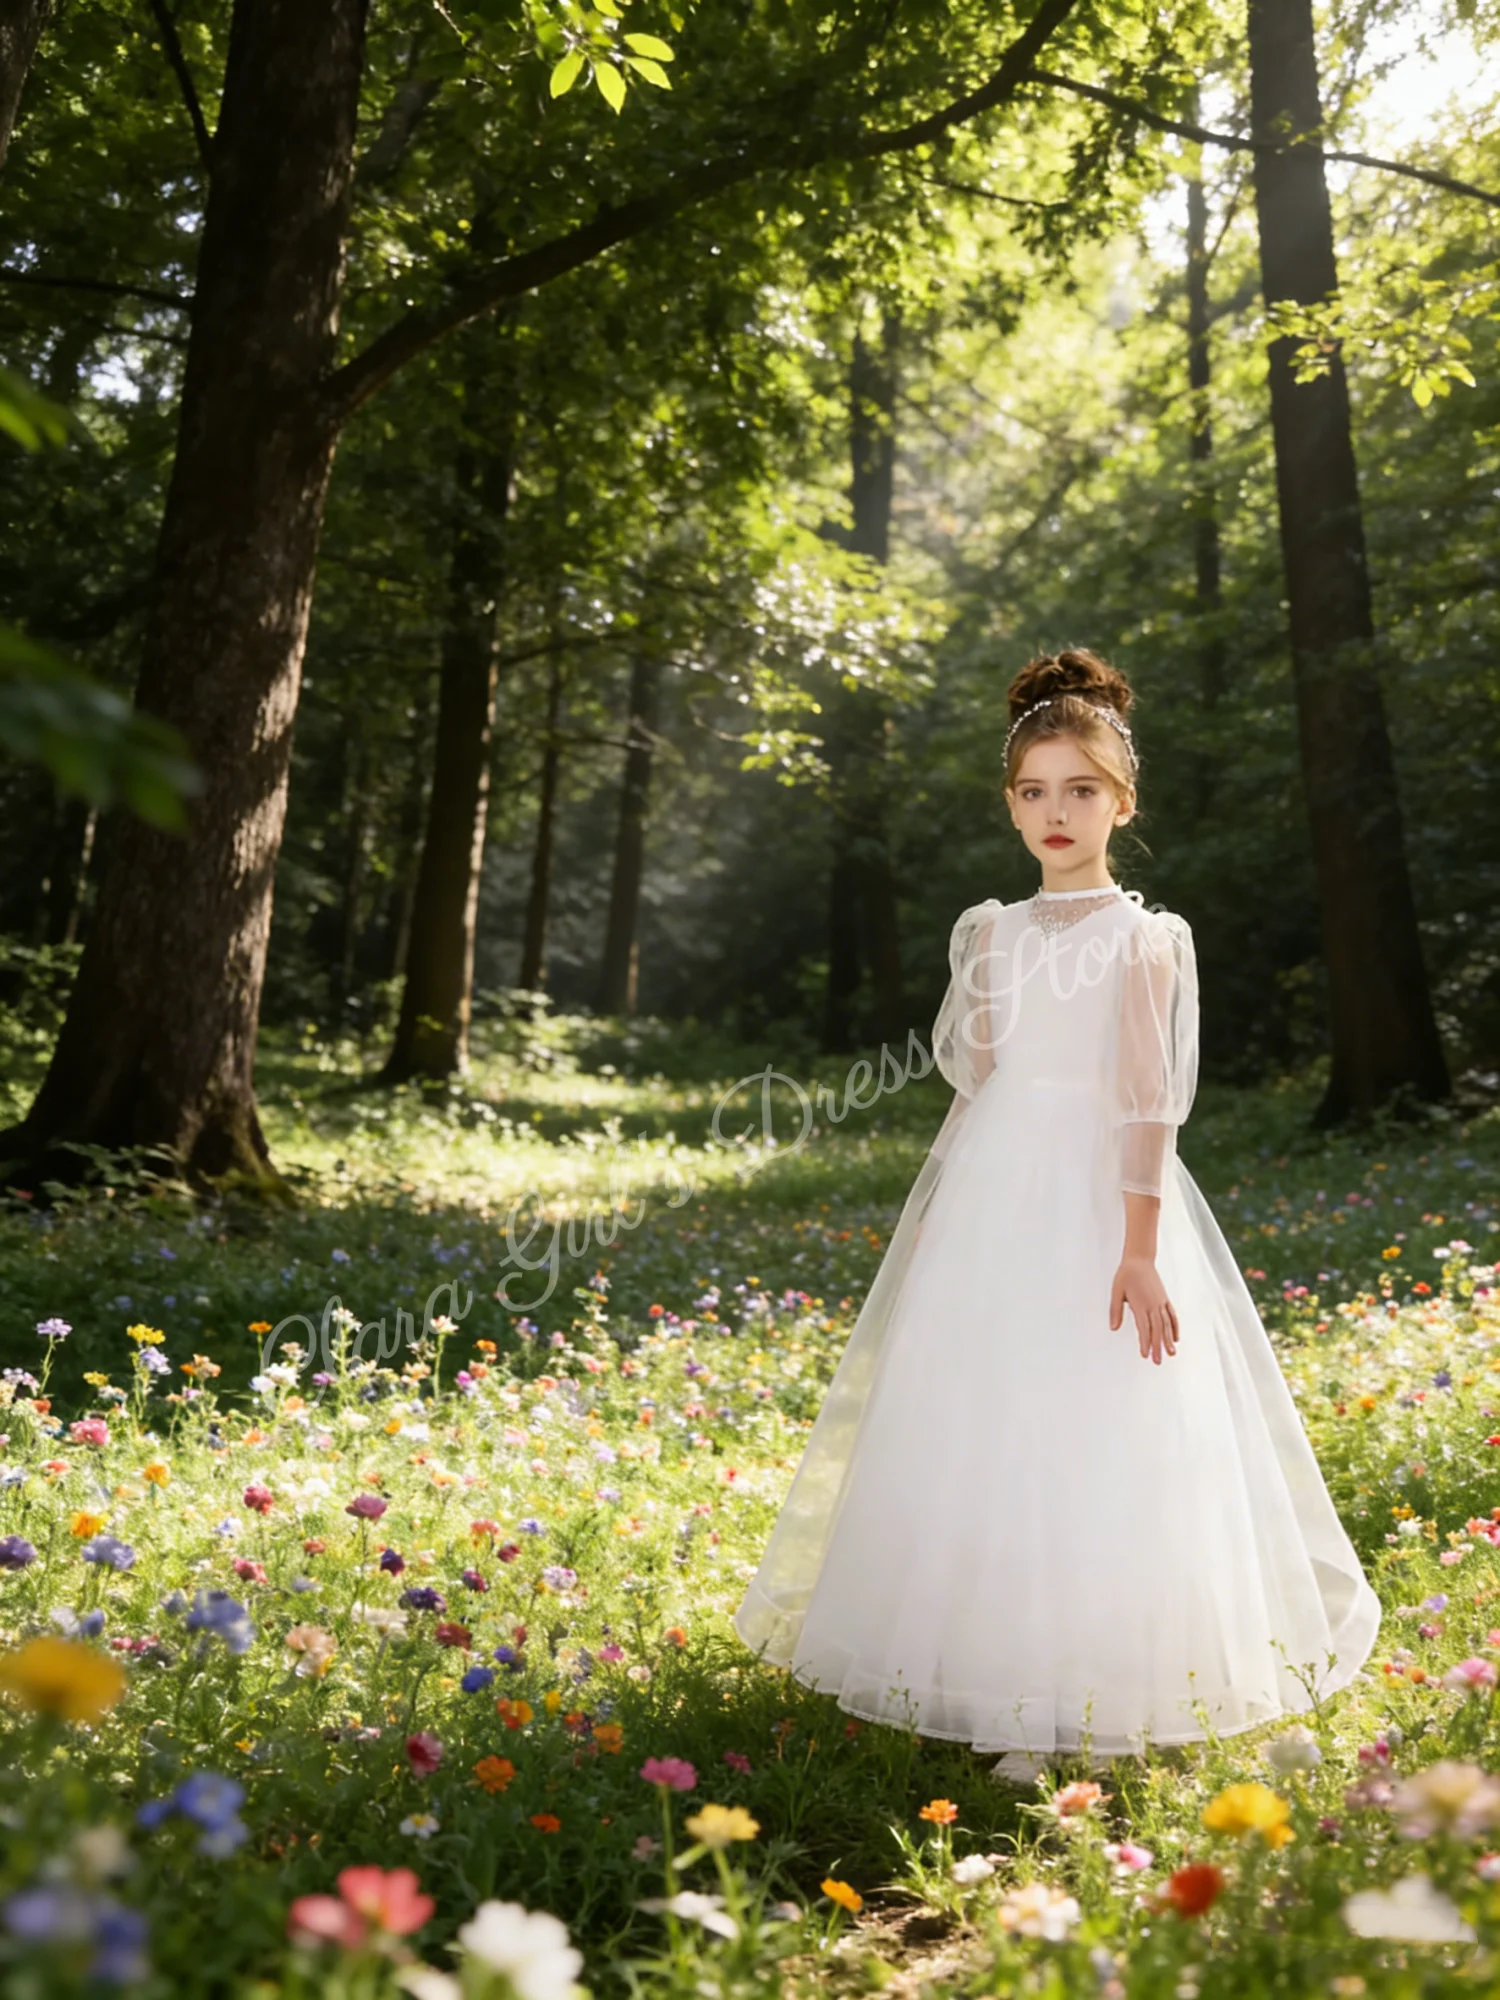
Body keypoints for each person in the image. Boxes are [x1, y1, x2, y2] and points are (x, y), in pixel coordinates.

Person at [732, 646, 1382, 1780]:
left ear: (1122, 802)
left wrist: (1139, 1251)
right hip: (993, 1196)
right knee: (986, 1421)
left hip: (1099, 1202)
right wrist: (936, 1206)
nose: (1055, 811)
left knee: (1092, 1424)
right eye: (1033, 790)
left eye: (1080, 788)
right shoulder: (989, 932)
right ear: (1011, 803)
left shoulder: (1145, 939)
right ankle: (982, 1668)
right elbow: (978, 1087)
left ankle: (1076, 1695)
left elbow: (1147, 1105)